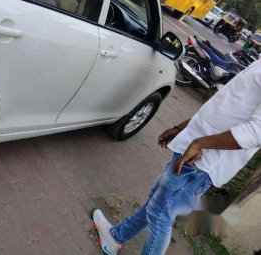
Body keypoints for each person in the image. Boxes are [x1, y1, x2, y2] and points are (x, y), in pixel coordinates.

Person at [93, 59, 261, 255]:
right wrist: (182, 127)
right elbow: (227, 107)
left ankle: (115, 238)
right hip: (195, 150)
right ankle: (115, 237)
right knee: (156, 204)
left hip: (202, 160)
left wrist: (200, 143)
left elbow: (256, 132)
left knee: (159, 214)